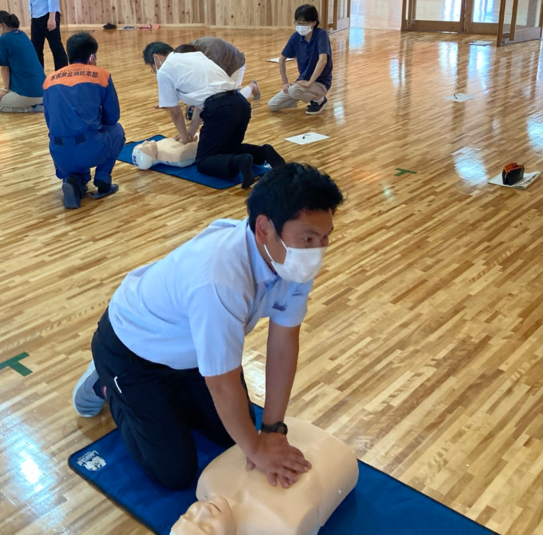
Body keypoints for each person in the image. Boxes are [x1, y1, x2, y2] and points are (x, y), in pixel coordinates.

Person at [72, 163, 343, 490]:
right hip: (133, 351)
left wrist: (273, 430)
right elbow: (221, 383)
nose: (317, 251)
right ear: (263, 228)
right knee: (174, 472)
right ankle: (106, 385)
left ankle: (169, 397)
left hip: (189, 352)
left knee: (231, 435)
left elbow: (284, 343)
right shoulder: (220, 278)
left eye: (325, 238)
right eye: (308, 238)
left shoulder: (291, 261)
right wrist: (257, 450)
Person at [143, 41, 285, 189]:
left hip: (220, 109)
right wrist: (190, 133)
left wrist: (184, 137)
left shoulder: (165, 70)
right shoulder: (196, 56)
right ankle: (263, 152)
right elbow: (200, 105)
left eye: (153, 68)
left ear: (156, 57)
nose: (155, 71)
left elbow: (175, 113)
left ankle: (241, 161)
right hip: (240, 103)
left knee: (203, 161)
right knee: (226, 150)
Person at [43, 32, 124, 209]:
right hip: (89, 147)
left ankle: (73, 182)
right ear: (92, 56)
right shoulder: (101, 75)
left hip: (58, 151)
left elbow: (49, 120)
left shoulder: (49, 80)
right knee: (117, 131)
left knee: (72, 144)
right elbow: (112, 117)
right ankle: (103, 179)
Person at [268, 5, 333, 115]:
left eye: (304, 23)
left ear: (313, 22)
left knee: (294, 91)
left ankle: (320, 100)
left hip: (320, 83)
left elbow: (323, 61)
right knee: (273, 105)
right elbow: (282, 59)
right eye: (298, 23)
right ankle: (305, 95)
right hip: (302, 82)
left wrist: (310, 83)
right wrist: (285, 82)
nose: (300, 26)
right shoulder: (296, 37)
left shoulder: (321, 35)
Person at [0, 10, 46, 113]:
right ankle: (35, 103)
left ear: (1, 26)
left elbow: (4, 67)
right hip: (44, 90)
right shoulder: (22, 34)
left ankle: (31, 107)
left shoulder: (2, 40)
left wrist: (4, 89)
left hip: (29, 93)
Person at [182, 38, 260, 100]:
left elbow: (208, 80)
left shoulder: (209, 53)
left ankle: (252, 86)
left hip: (235, 65)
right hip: (221, 64)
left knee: (233, 100)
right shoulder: (188, 49)